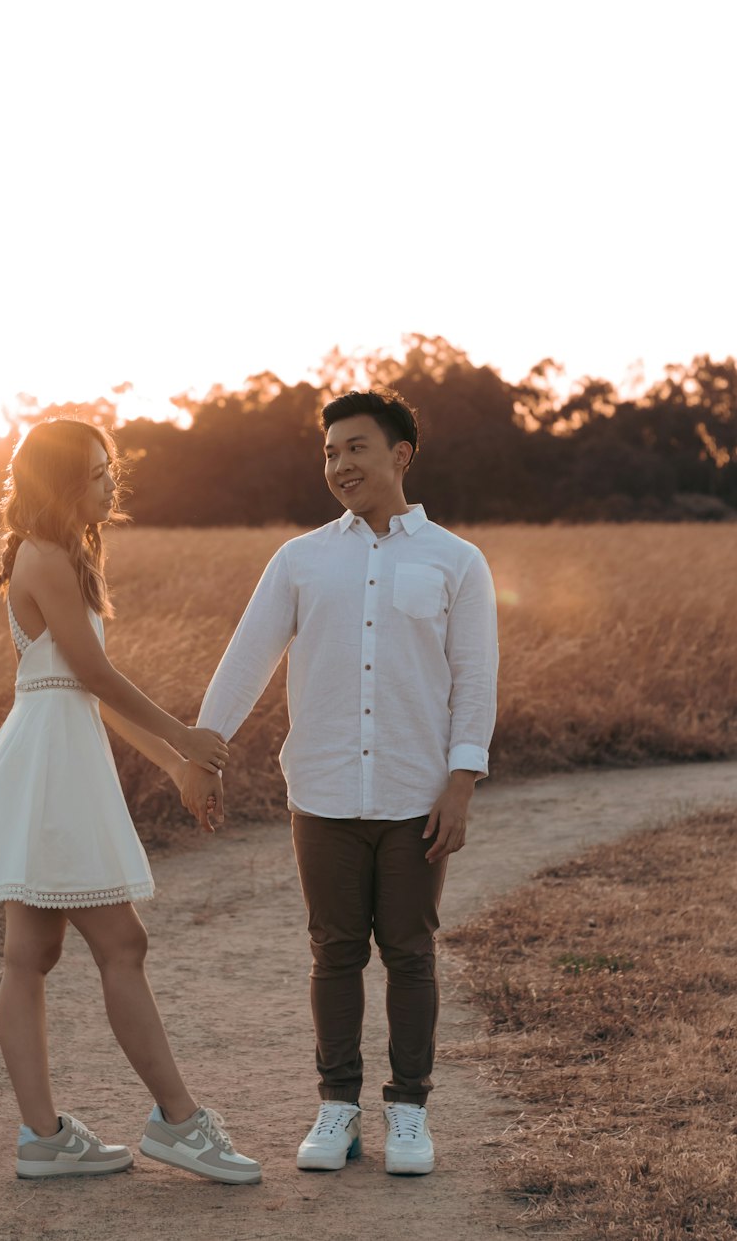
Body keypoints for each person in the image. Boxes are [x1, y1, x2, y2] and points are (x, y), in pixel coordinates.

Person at [193, 389, 498, 1176]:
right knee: (332, 951)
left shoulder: (456, 561)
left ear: (399, 455)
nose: (339, 466)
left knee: (409, 952)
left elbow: (475, 679)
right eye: (329, 453)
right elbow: (248, 658)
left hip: (416, 794)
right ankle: (336, 1107)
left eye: (355, 448)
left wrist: (462, 781)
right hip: (322, 791)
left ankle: (408, 1112)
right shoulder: (300, 560)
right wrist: (203, 748)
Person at [0, 417, 260, 1186]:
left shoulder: (66, 555)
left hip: (57, 755)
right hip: (50, 769)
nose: (110, 483)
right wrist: (188, 738)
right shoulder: (45, 554)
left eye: (110, 468)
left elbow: (96, 697)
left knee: (33, 955)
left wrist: (177, 765)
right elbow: (93, 677)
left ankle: (44, 1139)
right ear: (60, 480)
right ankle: (178, 1122)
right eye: (96, 471)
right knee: (120, 945)